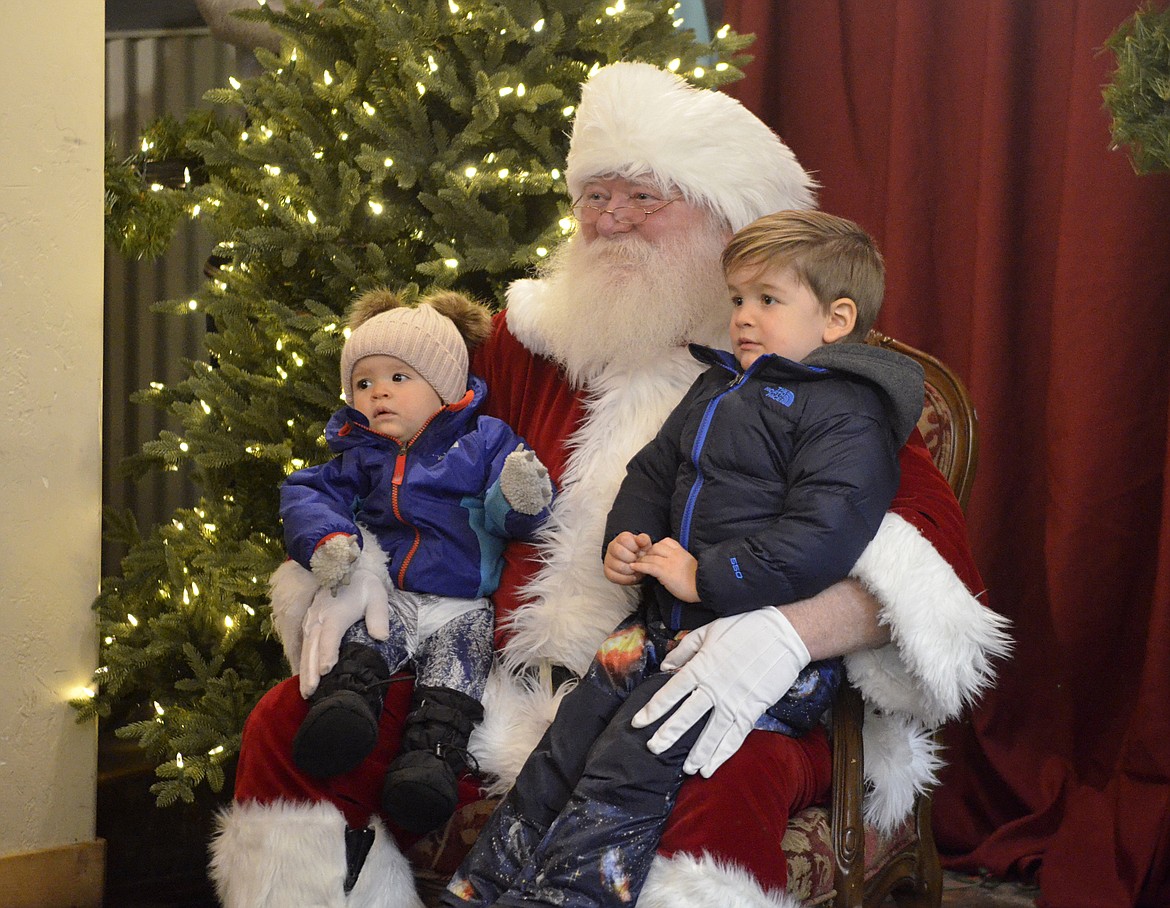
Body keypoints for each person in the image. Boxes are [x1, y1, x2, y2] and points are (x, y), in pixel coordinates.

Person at [211, 62, 1010, 908]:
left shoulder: (812, 377)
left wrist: (785, 634)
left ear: (727, 220)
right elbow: (395, 456)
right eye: (594, 194)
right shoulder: (531, 346)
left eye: (646, 195)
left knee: (713, 771)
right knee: (289, 727)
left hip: (726, 686)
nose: (609, 220)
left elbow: (928, 553)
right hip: (502, 682)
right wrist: (348, 567)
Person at [441, 210, 926, 906]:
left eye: (768, 300)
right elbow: (652, 471)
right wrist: (629, 536)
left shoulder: (849, 414)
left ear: (836, 318)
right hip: (655, 625)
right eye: (737, 300)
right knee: (566, 741)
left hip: (748, 650)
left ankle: (570, 895)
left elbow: (826, 535)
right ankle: (484, 886)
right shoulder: (718, 386)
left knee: (626, 766)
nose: (743, 318)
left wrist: (707, 575)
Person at [273, 288, 554, 837]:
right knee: (364, 646)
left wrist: (519, 496)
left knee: (455, 680)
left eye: (398, 378)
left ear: (444, 388)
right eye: (363, 382)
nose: (378, 392)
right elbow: (307, 495)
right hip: (391, 595)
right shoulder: (360, 454)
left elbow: (508, 513)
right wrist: (328, 539)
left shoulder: (484, 442)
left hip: (463, 604)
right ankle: (345, 714)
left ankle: (430, 767)